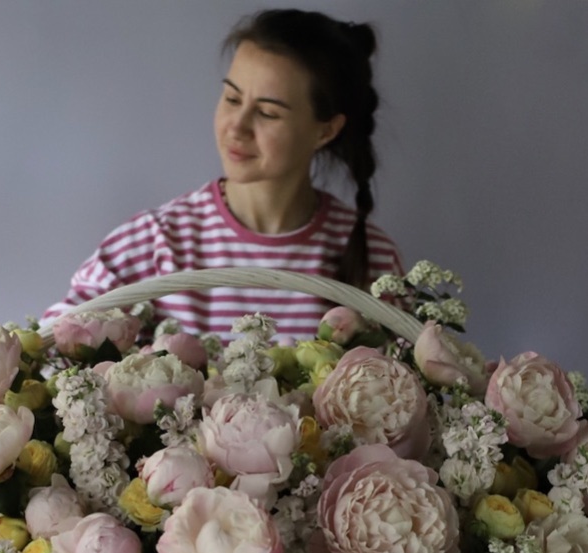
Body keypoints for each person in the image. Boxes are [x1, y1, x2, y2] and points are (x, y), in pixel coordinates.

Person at [43, 8, 404, 341]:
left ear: (325, 130)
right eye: (232, 99)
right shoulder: (153, 244)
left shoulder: (373, 258)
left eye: (268, 113)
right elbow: (51, 353)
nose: (237, 127)